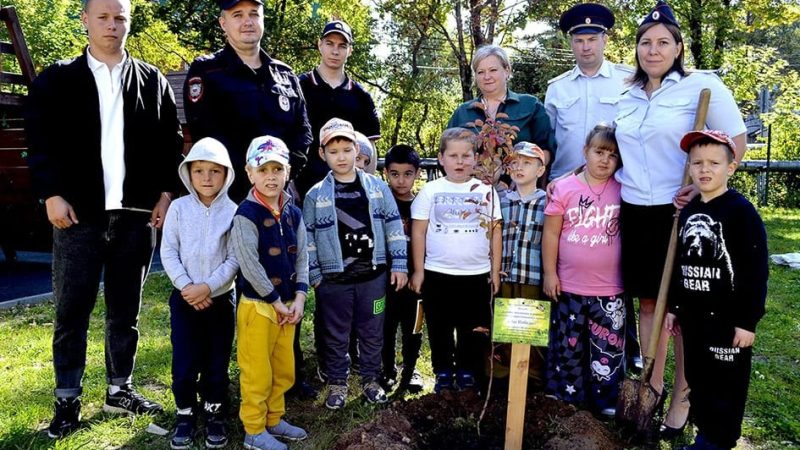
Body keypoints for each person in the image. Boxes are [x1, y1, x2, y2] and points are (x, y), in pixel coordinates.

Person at [24, 0, 182, 439]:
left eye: (120, 18)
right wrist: (51, 194)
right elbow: (39, 141)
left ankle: (119, 389)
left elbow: (171, 143)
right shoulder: (58, 80)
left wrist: (168, 193)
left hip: (135, 217)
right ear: (86, 20)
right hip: (77, 216)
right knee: (71, 311)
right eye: (104, 17)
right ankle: (67, 398)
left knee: (124, 311)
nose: (112, 25)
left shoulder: (152, 81)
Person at [612, 0, 747, 436]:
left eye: (662, 42)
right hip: (635, 207)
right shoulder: (626, 93)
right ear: (636, 49)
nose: (653, 50)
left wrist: (704, 188)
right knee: (649, 302)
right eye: (645, 43)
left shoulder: (701, 87)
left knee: (686, 308)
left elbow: (735, 144)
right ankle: (649, 389)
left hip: (684, 210)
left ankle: (683, 397)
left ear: (678, 47)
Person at [666, 130, 768, 450]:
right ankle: (704, 435)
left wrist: (747, 321)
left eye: (713, 163)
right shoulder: (691, 211)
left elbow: (755, 270)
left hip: (727, 322)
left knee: (726, 384)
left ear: (731, 168)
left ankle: (718, 441)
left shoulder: (741, 212)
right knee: (699, 379)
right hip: (695, 319)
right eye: (697, 163)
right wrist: (673, 307)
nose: (704, 169)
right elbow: (681, 264)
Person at [303, 118, 408, 409]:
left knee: (372, 330)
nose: (341, 157)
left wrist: (399, 264)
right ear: (323, 154)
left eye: (347, 149)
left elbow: (393, 226)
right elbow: (308, 237)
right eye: (333, 151)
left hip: (372, 276)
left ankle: (371, 380)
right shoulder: (315, 195)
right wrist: (314, 273)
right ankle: (337, 381)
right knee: (336, 333)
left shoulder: (376, 188)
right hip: (333, 279)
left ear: (357, 150)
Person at [184, 0, 312, 202]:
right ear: (223, 23)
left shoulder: (285, 75)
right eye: (238, 15)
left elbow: (303, 135)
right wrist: (253, 176)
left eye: (254, 14)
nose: (248, 22)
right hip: (228, 199)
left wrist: (276, 175)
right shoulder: (207, 71)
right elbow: (206, 136)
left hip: (278, 195)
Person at [409, 128, 502, 393]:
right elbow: (419, 231)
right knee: (439, 326)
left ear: (476, 159)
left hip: (476, 273)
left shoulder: (485, 191)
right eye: (453, 155)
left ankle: (466, 371)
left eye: (466, 155)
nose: (459, 162)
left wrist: (494, 272)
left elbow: (495, 231)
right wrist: (418, 270)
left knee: (471, 327)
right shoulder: (430, 191)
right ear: (440, 158)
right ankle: (443, 373)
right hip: (438, 272)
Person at [231, 135, 309, 450]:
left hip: (289, 306)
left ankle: (275, 419)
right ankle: (254, 429)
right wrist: (275, 301)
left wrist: (300, 297)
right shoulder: (245, 214)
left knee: (282, 367)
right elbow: (249, 264)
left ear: (287, 172)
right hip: (258, 307)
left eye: (278, 169)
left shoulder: (293, 212)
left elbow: (303, 255)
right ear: (250, 173)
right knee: (257, 371)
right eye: (263, 170)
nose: (271, 177)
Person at [542, 124, 625, 417]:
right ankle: (567, 396)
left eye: (613, 155)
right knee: (568, 346)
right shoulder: (565, 188)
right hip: (569, 287)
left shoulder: (624, 190)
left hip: (610, 289)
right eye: (599, 152)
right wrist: (550, 274)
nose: (605, 160)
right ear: (585, 152)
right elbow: (551, 234)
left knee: (607, 347)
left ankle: (606, 400)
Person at [160, 137, 238, 449]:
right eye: (199, 171)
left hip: (220, 300)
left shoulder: (234, 211)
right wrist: (187, 286)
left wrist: (209, 287)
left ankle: (214, 412)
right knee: (184, 360)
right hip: (184, 299)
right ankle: (185, 413)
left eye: (215, 171)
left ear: (227, 174)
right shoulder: (178, 209)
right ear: (188, 173)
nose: (206, 178)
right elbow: (168, 252)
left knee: (216, 360)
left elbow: (234, 257)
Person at [545, 3, 633, 180]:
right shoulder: (557, 88)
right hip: (564, 182)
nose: (586, 47)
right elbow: (547, 140)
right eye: (579, 40)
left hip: (614, 183)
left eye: (592, 39)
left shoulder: (628, 81)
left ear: (605, 40)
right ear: (571, 43)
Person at [296, 19, 381, 198]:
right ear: (320, 45)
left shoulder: (361, 96)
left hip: (350, 193)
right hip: (304, 189)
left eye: (342, 45)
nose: (335, 51)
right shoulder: (298, 86)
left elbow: (370, 148)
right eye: (330, 44)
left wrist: (367, 188)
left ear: (350, 50)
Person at [447, 45, 556, 166]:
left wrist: (525, 175)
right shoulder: (463, 112)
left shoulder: (530, 105)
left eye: (493, 70)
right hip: (473, 183)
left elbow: (546, 149)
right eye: (480, 72)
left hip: (519, 183)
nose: (487, 77)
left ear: (507, 70)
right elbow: (447, 152)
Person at [497, 142, 548, 386]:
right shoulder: (500, 200)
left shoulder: (548, 202)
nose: (519, 167)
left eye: (527, 163)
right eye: (514, 162)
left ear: (540, 170)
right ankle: (502, 377)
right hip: (505, 275)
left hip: (533, 276)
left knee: (532, 329)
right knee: (504, 327)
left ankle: (533, 379)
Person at [380, 144, 425, 393]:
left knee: (413, 327)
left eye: (407, 173)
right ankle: (387, 370)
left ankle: (411, 369)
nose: (401, 180)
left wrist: (421, 272)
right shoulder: (381, 204)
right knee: (386, 326)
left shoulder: (422, 204)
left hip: (416, 282)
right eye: (395, 174)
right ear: (386, 172)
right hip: (386, 280)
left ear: (417, 173)